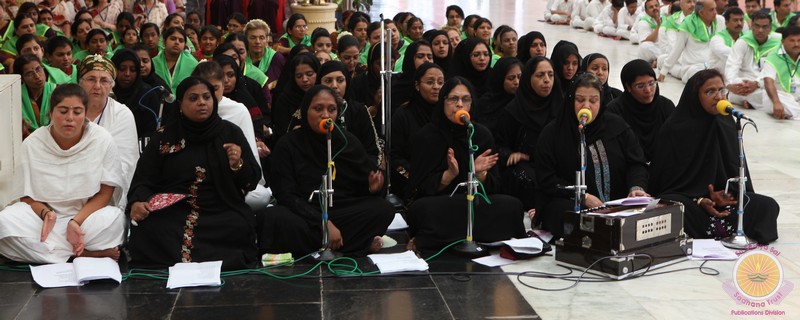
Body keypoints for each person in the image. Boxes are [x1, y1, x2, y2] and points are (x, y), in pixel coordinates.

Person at [127, 75, 260, 270]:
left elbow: (251, 181)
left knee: (237, 225)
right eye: (193, 98)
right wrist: (138, 201)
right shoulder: (164, 137)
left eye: (207, 97)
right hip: (174, 209)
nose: (202, 103)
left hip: (220, 207)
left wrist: (237, 164)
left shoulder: (230, 133)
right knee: (149, 227)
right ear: (180, 105)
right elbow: (144, 178)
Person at [649, 69, 779, 244]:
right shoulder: (675, 129)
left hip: (725, 202)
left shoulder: (727, 123)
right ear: (695, 96)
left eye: (721, 90)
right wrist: (702, 198)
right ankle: (721, 229)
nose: (718, 97)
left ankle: (725, 230)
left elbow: (735, 171)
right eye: (710, 92)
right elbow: (665, 186)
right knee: (673, 207)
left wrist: (727, 195)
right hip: (693, 203)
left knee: (767, 205)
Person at [0, 84, 126, 263]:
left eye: (77, 111)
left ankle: (51, 254)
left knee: (113, 220)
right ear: (51, 113)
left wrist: (75, 222)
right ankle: (81, 254)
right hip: (44, 221)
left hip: (86, 219)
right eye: (63, 111)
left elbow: (106, 193)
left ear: (85, 113)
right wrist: (46, 214)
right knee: (4, 221)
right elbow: (25, 196)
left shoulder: (102, 139)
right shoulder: (33, 143)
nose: (70, 118)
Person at [262, 85, 393, 257]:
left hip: (342, 211)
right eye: (318, 109)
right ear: (305, 111)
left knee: (383, 209)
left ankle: (320, 246)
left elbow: (362, 188)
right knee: (272, 216)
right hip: (305, 213)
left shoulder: (347, 141)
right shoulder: (288, 144)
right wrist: (323, 223)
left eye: (331, 109)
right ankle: (351, 244)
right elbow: (286, 195)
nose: (325, 115)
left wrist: (373, 187)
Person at [405, 77, 526, 251]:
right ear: (443, 102)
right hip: (441, 203)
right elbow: (416, 189)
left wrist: (480, 174)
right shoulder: (427, 136)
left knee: (512, 205)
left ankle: (441, 238)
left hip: (475, 203)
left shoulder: (481, 135)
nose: (460, 104)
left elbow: (496, 186)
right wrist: (447, 176)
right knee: (424, 210)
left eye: (466, 99)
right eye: (453, 99)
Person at [535, 73, 649, 238]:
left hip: (617, 204)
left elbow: (637, 163)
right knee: (566, 213)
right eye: (580, 100)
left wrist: (636, 188)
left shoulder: (616, 126)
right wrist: (582, 196)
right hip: (572, 202)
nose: (586, 106)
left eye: (593, 101)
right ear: (570, 100)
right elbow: (546, 180)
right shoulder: (553, 133)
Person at [494, 57, 563, 211]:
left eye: (550, 75)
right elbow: (498, 146)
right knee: (527, 179)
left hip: (555, 165)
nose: (546, 80)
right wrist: (513, 154)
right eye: (540, 75)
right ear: (528, 79)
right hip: (526, 169)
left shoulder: (561, 108)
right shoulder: (514, 111)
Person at [78, 54, 139, 206]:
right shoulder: (68, 110)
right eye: (91, 79)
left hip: (107, 192)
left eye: (104, 80)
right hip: (68, 186)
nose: (97, 86)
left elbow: (124, 164)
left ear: (112, 85)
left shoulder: (122, 114)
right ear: (80, 82)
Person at [391, 63, 445, 196]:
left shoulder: (448, 114)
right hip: (413, 182)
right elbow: (395, 157)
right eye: (430, 82)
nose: (436, 87)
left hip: (446, 181)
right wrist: (419, 180)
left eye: (441, 82)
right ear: (417, 86)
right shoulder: (403, 114)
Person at [316, 60, 381, 170]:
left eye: (340, 80)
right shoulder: (312, 111)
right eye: (328, 81)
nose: (335, 86)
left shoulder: (359, 110)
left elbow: (374, 152)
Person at [607, 59, 676, 162]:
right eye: (640, 86)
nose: (648, 90)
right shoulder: (615, 111)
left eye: (651, 83)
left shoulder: (666, 107)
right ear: (628, 87)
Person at [725, 11, 781, 111]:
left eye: (764, 27)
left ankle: (751, 101)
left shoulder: (777, 43)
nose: (760, 30)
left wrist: (757, 84)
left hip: (766, 84)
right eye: (757, 26)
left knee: (776, 91)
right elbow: (732, 66)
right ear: (751, 26)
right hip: (745, 84)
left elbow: (777, 70)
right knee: (737, 88)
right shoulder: (743, 41)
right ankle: (753, 101)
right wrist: (731, 85)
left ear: (770, 28)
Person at [659, 0, 725, 83]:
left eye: (715, 9)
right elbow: (677, 49)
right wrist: (664, 71)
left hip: (713, 65)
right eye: (711, 10)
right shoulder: (687, 24)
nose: (715, 12)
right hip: (693, 67)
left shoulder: (720, 20)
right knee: (699, 75)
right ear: (701, 13)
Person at [111, 48, 161, 151]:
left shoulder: (147, 93)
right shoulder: (106, 92)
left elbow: (151, 130)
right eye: (122, 68)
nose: (127, 74)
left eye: (133, 70)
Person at [272, 54, 320, 141]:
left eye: (309, 74)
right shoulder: (285, 100)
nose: (305, 79)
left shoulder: (325, 96)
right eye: (299, 76)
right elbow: (280, 132)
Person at [15, 54, 58, 138]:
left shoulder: (57, 91)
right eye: (30, 74)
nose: (37, 76)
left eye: (38, 69)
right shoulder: (15, 96)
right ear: (22, 79)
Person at [475, 57, 522, 132]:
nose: (516, 82)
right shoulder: (486, 104)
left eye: (520, 77)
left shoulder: (525, 101)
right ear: (500, 79)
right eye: (511, 78)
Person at [763, 26, 800, 120]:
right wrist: (776, 102)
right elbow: (768, 81)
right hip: (778, 97)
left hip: (797, 97)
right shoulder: (773, 56)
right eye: (792, 41)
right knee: (782, 102)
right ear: (783, 41)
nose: (796, 44)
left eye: (799, 40)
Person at [392, 40, 434, 113]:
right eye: (420, 56)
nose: (426, 60)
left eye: (430, 57)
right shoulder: (398, 90)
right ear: (410, 59)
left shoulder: (437, 86)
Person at [152, 27, 198, 93]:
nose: (177, 42)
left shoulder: (192, 64)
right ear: (164, 42)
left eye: (181, 40)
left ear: (184, 45)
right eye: (173, 39)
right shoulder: (153, 63)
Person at [245, 19, 285, 91]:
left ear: (267, 39)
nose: (257, 42)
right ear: (246, 39)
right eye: (253, 38)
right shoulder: (242, 59)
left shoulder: (277, 58)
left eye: (261, 38)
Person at [710, 8, 745, 72]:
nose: (739, 23)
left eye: (741, 20)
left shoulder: (746, 38)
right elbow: (727, 54)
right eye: (735, 20)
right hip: (718, 77)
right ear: (726, 23)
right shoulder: (717, 39)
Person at [637, 0, 664, 67]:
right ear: (646, 11)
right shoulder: (643, 21)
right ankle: (662, 60)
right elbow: (648, 41)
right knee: (645, 46)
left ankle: (659, 61)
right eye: (651, 7)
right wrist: (658, 26)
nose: (654, 8)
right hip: (653, 49)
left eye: (656, 6)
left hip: (664, 47)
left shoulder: (665, 17)